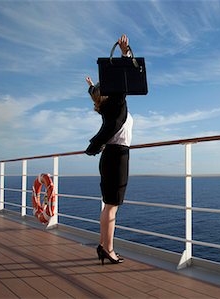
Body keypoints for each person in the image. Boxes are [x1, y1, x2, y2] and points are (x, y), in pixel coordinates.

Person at [85, 34, 133, 265]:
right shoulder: (116, 104)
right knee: (112, 207)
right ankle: (110, 250)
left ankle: (103, 246)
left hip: (107, 156)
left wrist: (93, 88)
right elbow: (126, 80)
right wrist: (125, 54)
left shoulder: (106, 108)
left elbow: (101, 94)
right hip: (118, 156)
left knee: (107, 205)